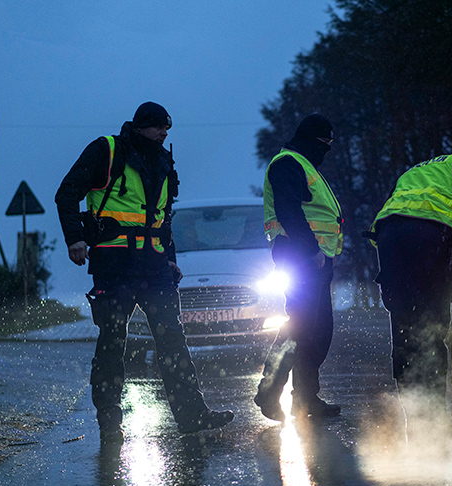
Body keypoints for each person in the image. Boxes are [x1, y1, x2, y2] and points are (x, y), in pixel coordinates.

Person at [55, 101, 234, 446]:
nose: (164, 133)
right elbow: (66, 193)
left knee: (172, 340)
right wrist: (75, 238)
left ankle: (192, 415)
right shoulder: (107, 151)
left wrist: (170, 258)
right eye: (158, 128)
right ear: (140, 126)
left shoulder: (164, 161)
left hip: (154, 266)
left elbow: (162, 217)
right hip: (114, 264)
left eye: (167, 128)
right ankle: (110, 424)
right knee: (113, 343)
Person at [367, 151, 452, 401]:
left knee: (403, 317)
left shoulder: (421, 168)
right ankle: (433, 401)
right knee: (431, 318)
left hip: (388, 234)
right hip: (427, 232)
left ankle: (409, 396)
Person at [254, 113, 343, 422]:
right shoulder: (288, 164)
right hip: (301, 256)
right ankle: (270, 392)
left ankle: (305, 399)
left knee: (316, 329)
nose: (326, 151)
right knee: (301, 327)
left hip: (314, 257)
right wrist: (311, 250)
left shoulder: (303, 164)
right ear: (310, 140)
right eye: (323, 144)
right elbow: (288, 210)